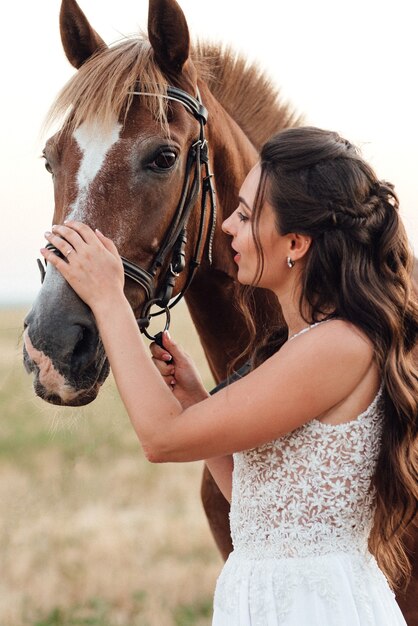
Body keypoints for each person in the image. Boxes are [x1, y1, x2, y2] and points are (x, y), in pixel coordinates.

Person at [41, 126, 417, 625]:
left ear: (296, 243)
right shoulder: (308, 345)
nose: (227, 228)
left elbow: (161, 440)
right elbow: (260, 511)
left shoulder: (338, 345)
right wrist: (197, 400)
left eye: (245, 214)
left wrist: (109, 298)